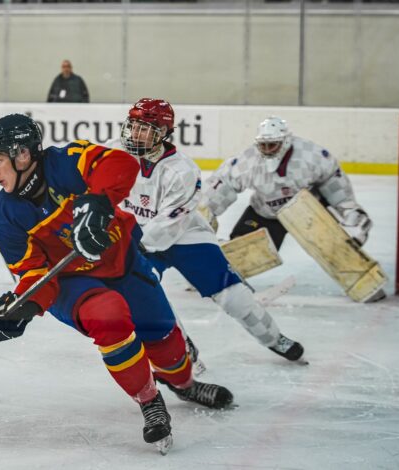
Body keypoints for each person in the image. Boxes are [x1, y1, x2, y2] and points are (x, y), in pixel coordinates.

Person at [0, 113, 233, 454]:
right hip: (73, 285)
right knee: (108, 317)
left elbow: (120, 164)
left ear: (23, 154)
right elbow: (35, 274)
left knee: (164, 339)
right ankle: (149, 399)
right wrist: (21, 308)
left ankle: (183, 384)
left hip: (123, 263)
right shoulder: (4, 219)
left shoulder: (64, 162)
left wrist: (97, 200)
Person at [114, 98, 304, 363]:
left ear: (164, 133)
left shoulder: (182, 171)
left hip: (185, 237)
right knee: (145, 299)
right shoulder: (114, 154)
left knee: (233, 296)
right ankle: (182, 352)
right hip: (138, 238)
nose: (136, 134)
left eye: (146, 129)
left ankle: (274, 338)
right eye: (133, 126)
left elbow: (172, 221)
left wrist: (133, 244)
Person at [199, 116, 382, 301]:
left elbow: (338, 191)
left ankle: (366, 284)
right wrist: (202, 213)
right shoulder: (247, 162)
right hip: (265, 213)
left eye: (273, 145)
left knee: (334, 247)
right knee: (240, 253)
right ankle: (208, 279)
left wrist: (352, 216)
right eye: (263, 145)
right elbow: (220, 186)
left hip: (307, 212)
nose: (267, 150)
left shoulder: (313, 156)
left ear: (286, 141)